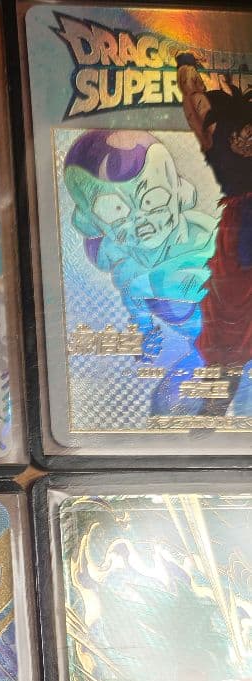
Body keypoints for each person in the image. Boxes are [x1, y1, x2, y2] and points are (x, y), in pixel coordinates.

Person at [63, 129, 217, 415]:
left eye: (151, 199)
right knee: (168, 408)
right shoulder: (129, 270)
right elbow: (135, 299)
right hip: (208, 346)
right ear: (90, 220)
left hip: (230, 338)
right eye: (114, 209)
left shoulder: (205, 239)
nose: (140, 220)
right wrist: (145, 333)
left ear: (177, 189)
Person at [177, 53, 252, 415]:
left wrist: (185, 65)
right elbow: (195, 99)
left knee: (230, 314)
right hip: (240, 227)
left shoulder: (213, 125)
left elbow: (194, 98)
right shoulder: (216, 124)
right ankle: (216, 401)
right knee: (230, 313)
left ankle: (216, 401)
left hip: (239, 226)